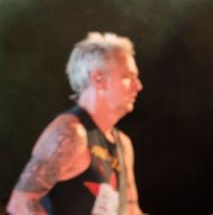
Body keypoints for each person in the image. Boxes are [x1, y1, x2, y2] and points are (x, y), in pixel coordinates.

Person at [7, 32, 146, 215]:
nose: (138, 86)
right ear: (98, 79)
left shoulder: (123, 144)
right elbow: (20, 205)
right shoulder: (70, 133)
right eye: (128, 76)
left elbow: (131, 210)